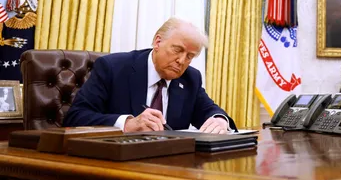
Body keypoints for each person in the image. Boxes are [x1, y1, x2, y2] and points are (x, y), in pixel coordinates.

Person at [64, 17, 235, 134]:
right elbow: (75, 117)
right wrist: (127, 124)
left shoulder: (190, 78)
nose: (182, 61)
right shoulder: (113, 68)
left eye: (190, 56)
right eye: (178, 50)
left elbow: (209, 110)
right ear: (158, 42)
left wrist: (219, 120)